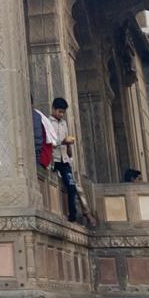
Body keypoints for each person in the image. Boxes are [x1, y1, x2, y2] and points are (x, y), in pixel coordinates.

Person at [41, 97, 95, 226]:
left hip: (64, 159)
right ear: (53, 109)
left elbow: (67, 143)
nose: (61, 114)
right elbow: (49, 142)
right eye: (59, 111)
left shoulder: (64, 123)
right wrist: (62, 142)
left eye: (63, 112)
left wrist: (69, 145)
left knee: (71, 186)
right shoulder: (48, 122)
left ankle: (73, 217)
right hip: (53, 159)